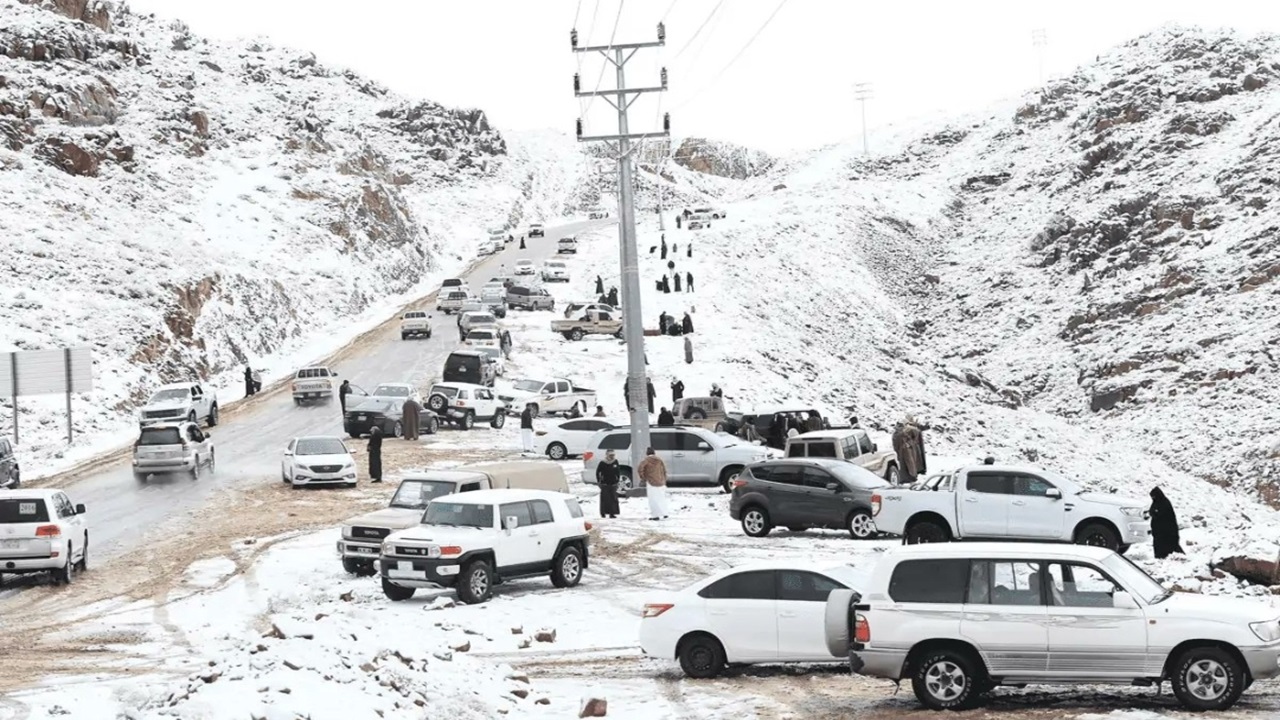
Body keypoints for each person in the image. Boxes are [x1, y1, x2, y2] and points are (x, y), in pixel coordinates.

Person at [1149, 487, 1185, 558]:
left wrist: (1156, 514)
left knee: (1171, 546)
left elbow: (1162, 515)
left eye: (1154, 496)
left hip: (1168, 531)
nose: (1153, 498)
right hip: (1159, 532)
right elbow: (1152, 511)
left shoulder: (1165, 503)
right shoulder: (1155, 503)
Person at [637, 447, 669, 520]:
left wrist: (643, 477)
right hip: (661, 482)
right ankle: (665, 513)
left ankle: (655, 515)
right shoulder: (660, 460)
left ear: (647, 453)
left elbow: (640, 468)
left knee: (653, 499)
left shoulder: (646, 460)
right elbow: (664, 470)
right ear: (654, 453)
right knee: (661, 498)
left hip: (651, 482)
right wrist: (664, 479)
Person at [596, 450, 622, 518]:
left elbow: (618, 471)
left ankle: (612, 513)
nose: (612, 457)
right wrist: (599, 481)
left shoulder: (615, 462)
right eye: (610, 455)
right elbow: (598, 472)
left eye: (613, 455)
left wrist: (618, 480)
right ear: (607, 455)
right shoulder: (602, 463)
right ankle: (603, 513)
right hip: (604, 483)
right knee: (604, 499)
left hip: (613, 483)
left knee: (613, 499)